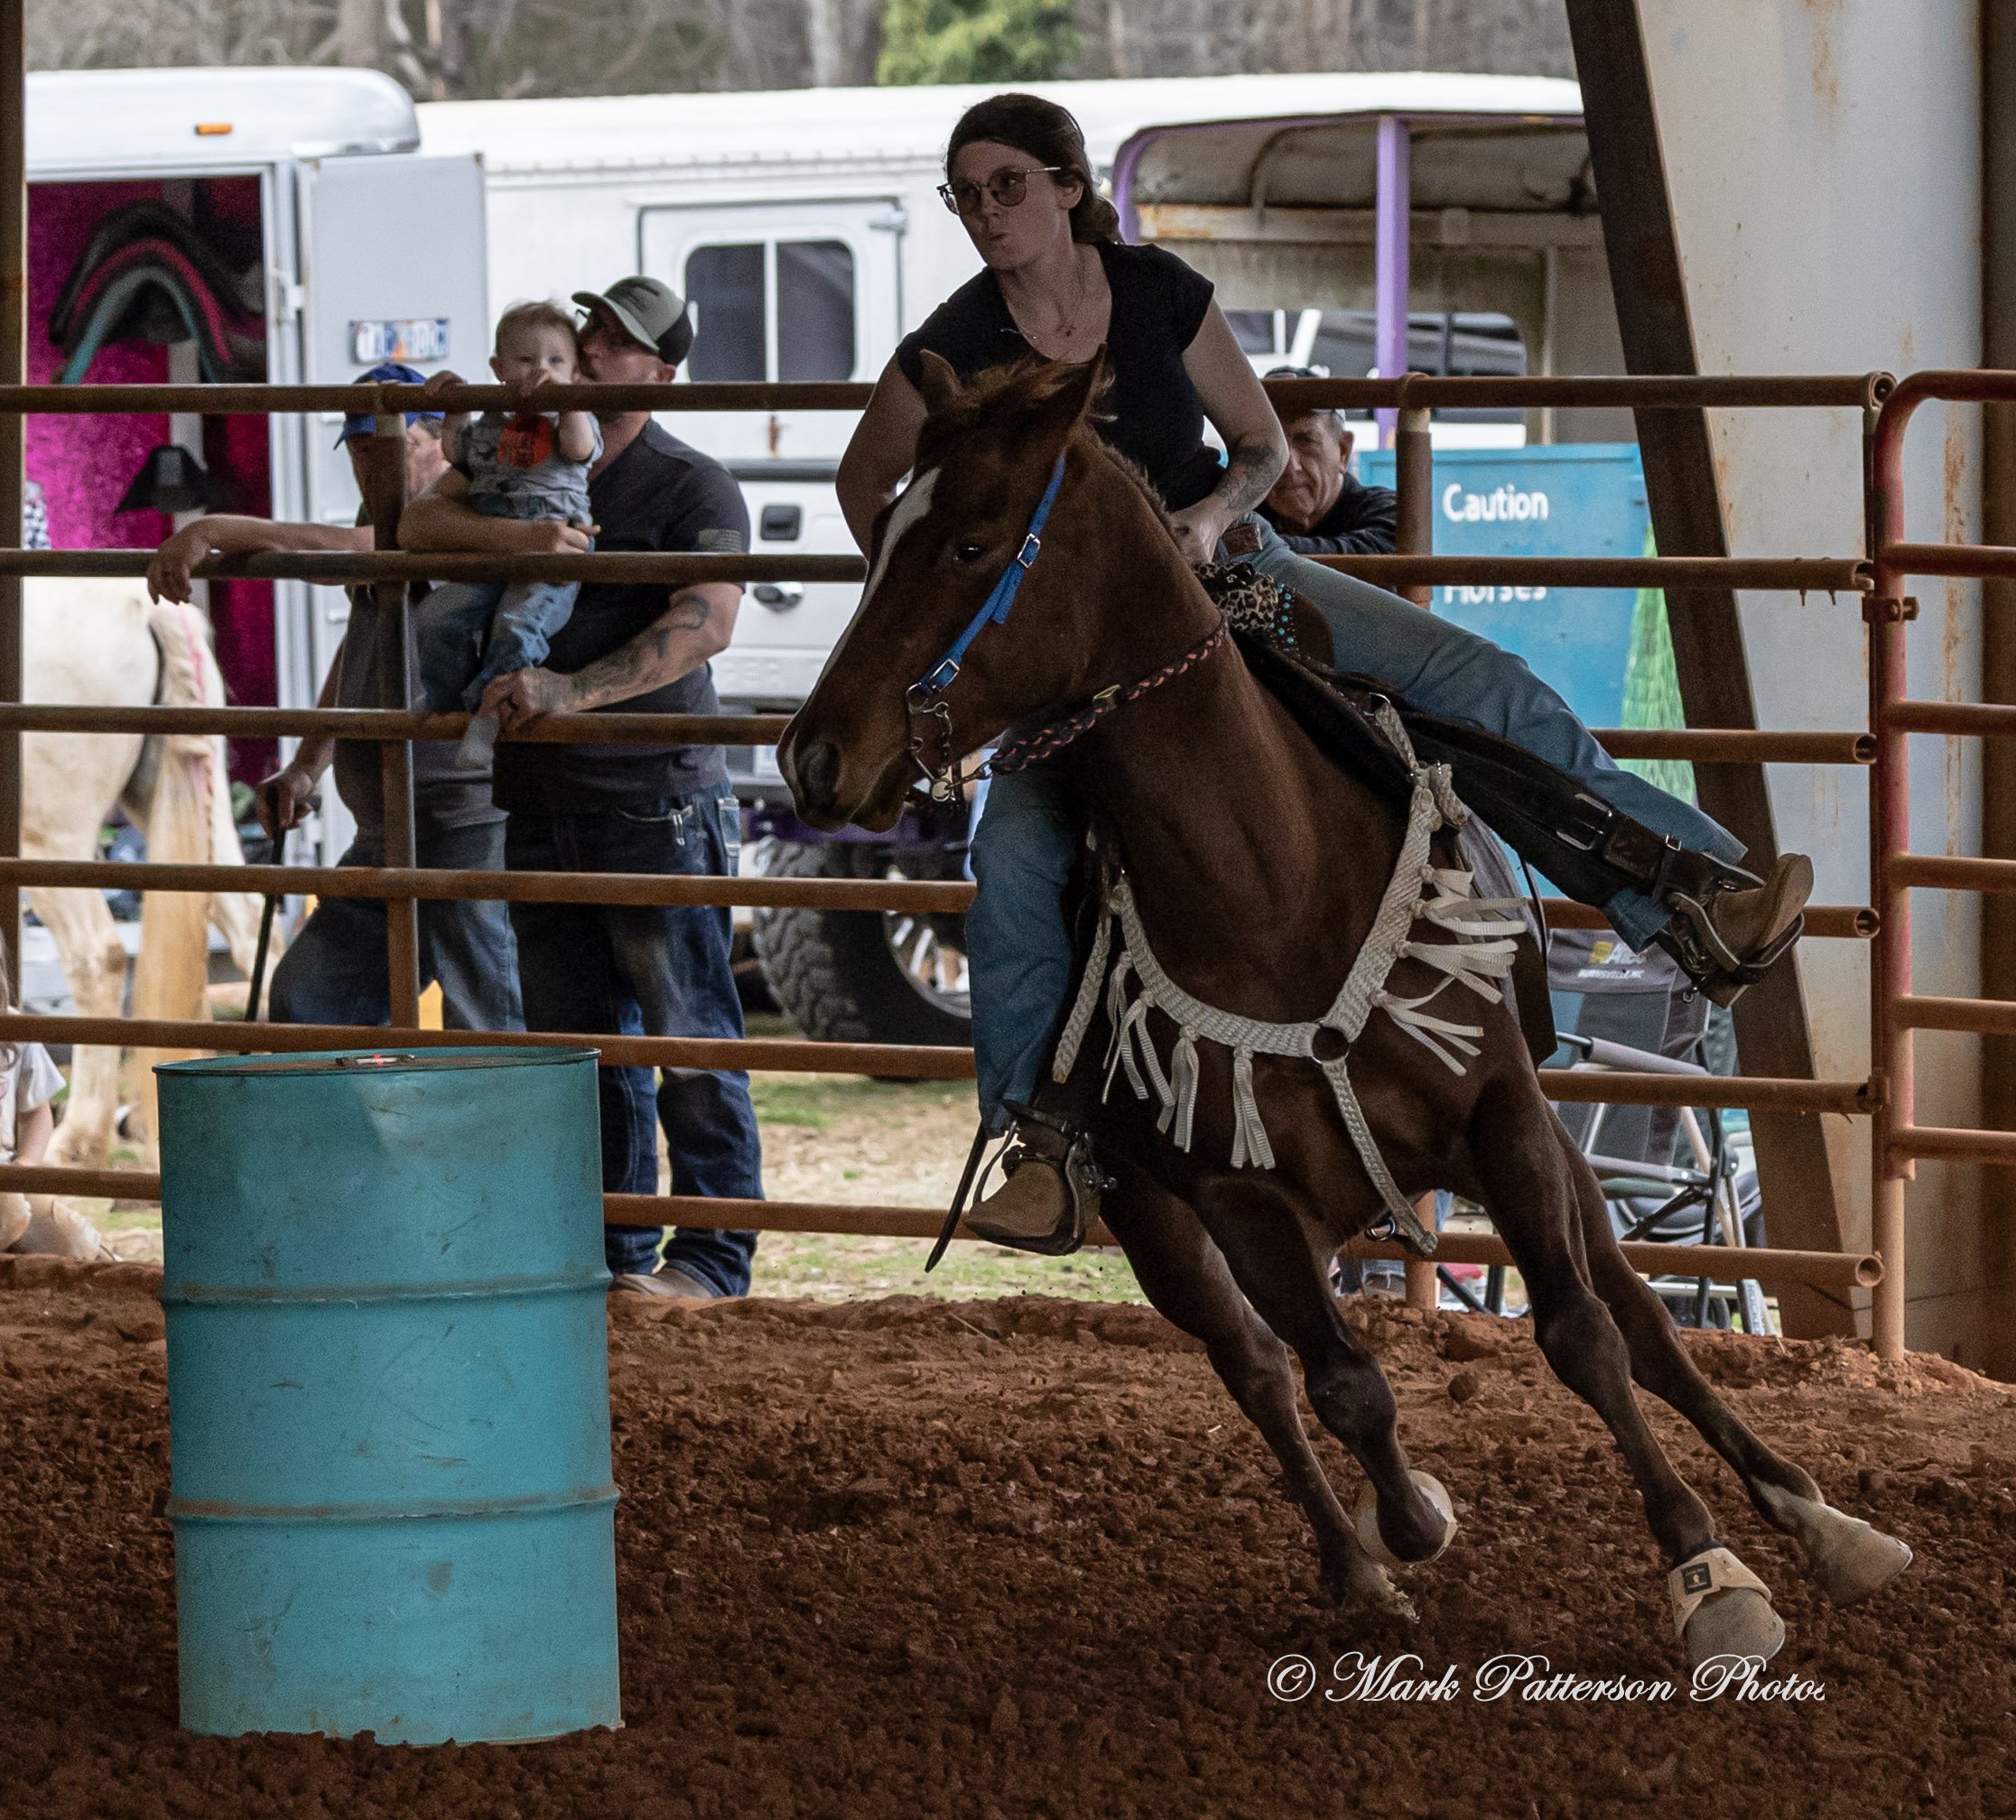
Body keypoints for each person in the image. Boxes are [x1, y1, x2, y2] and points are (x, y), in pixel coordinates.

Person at [833, 90, 1813, 1247]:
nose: (984, 214)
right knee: (1010, 864)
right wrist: (973, 615)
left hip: (1240, 571)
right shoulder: (950, 343)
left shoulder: (1157, 296)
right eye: (965, 195)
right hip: (1077, 663)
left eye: (1006, 187)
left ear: (1066, 186)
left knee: (1479, 684)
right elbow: (869, 488)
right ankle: (1039, 1149)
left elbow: (1256, 449)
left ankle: (1687, 892)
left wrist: (1205, 519)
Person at [400, 278, 762, 1301]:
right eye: (591, 328)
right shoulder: (520, 446)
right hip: (541, 789)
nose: (595, 347)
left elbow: (708, 621)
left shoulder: (692, 484)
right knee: (578, 1047)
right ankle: (604, 1252)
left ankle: (710, 1257)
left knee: (685, 1030)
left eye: (619, 340)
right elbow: (425, 526)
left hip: (652, 790)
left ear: (662, 373)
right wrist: (528, 544)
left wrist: (570, 690)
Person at [146, 360, 525, 1035]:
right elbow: (362, 645)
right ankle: (359, 1141)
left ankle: (501, 1141)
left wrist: (213, 530)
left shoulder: (461, 511)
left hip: (465, 821)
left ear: (438, 438)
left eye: (389, 446)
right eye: (357, 449)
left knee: (486, 1021)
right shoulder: (382, 514)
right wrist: (306, 765)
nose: (370, 465)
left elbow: (354, 554)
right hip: (384, 829)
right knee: (312, 1002)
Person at [416, 302, 602, 772]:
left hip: (557, 542)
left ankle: (488, 716)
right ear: (498, 369)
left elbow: (580, 449)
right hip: (494, 542)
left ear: (575, 373)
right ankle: (445, 702)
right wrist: (455, 414)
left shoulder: (571, 418)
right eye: (524, 360)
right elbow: (460, 457)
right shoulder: (493, 418)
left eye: (556, 362)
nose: (541, 370)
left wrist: (567, 401)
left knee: (518, 626)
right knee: (439, 615)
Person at [1256, 365, 1398, 555]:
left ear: (1343, 450)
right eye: (1271, 443)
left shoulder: (1387, 512)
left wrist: (1252, 547)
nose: (1289, 465)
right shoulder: (1237, 513)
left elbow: (1370, 559)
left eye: (1306, 440)